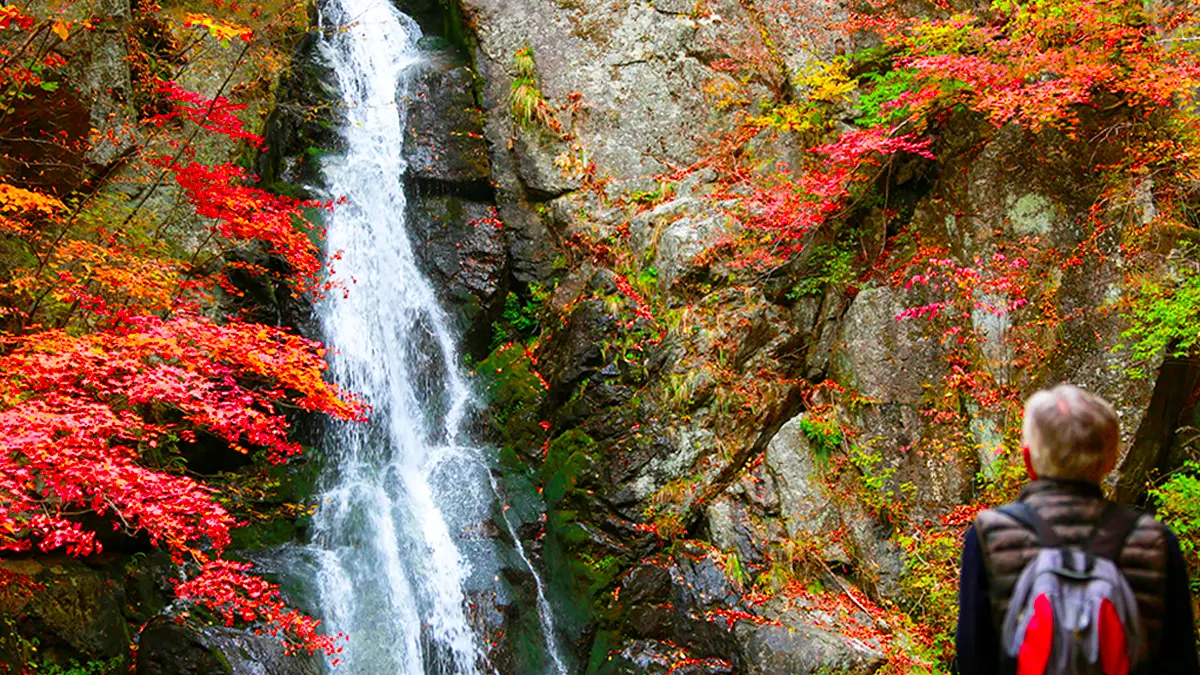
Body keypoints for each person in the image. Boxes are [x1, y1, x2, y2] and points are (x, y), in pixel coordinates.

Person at [955, 384, 1200, 674]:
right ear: (1110, 461)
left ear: (1027, 459)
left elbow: (973, 657)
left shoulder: (990, 533)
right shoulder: (1153, 540)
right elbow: (1181, 660)